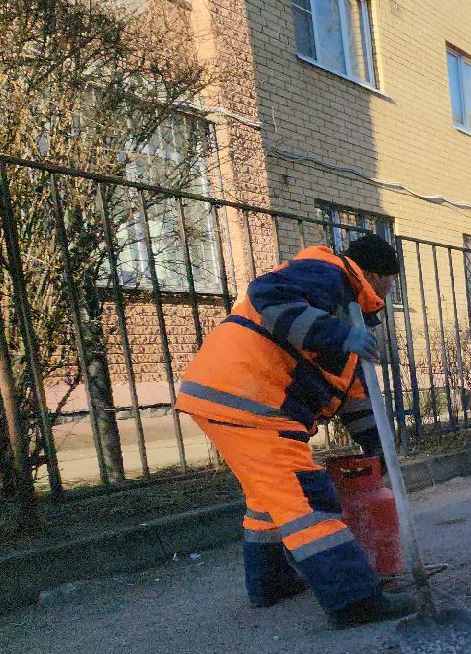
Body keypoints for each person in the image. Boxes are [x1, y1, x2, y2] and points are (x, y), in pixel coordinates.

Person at [176, 234, 418, 629]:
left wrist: (380, 452)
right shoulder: (328, 273)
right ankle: (354, 601)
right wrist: (341, 334)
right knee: (308, 500)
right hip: (250, 399)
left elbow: (355, 399)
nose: (391, 291)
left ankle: (272, 583)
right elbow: (267, 294)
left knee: (269, 498)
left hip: (230, 396)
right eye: (391, 281)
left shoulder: (343, 313)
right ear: (374, 275)